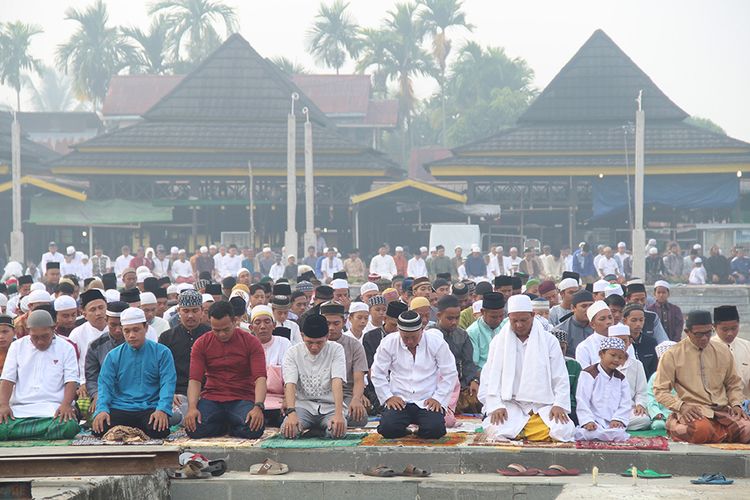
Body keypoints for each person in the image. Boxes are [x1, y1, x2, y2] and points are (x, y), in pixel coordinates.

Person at [478, 296, 575, 442]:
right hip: (510, 403)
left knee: (562, 429)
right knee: (497, 429)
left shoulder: (549, 341)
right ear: (508, 318)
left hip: (541, 404)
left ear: (532, 315)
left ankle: (524, 432)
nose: (519, 325)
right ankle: (524, 431)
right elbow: (489, 377)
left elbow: (560, 376)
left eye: (523, 320)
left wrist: (559, 404)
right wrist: (495, 406)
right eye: (514, 321)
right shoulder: (498, 342)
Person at [654, 310, 750, 444]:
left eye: (708, 333)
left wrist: (736, 404)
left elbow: (733, 383)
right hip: (693, 410)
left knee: (748, 430)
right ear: (687, 332)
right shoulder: (672, 355)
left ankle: (717, 433)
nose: (704, 338)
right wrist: (681, 406)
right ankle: (674, 425)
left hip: (721, 409)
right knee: (701, 431)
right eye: (699, 334)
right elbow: (660, 390)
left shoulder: (723, 351)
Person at [185, 301, 267, 438]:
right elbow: (195, 380)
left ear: (235, 321)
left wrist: (258, 406)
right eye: (216, 330)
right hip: (212, 398)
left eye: (226, 329)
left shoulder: (251, 341)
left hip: (242, 397)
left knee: (254, 429)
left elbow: (260, 378)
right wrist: (192, 408)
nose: (222, 334)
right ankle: (227, 425)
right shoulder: (201, 343)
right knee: (193, 428)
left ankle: (228, 425)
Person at [92, 308, 176, 438]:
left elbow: (168, 383)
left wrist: (162, 409)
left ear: (146, 328)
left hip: (149, 407)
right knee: (100, 428)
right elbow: (104, 385)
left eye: (136, 330)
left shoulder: (162, 352)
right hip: (121, 407)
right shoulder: (113, 356)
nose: (131, 335)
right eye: (127, 331)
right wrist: (102, 409)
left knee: (159, 430)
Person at [372, 311, 457, 439]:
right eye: (405, 337)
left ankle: (420, 430)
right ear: (398, 331)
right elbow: (377, 372)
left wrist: (438, 399)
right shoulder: (388, 342)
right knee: (388, 429)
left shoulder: (436, 342)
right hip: (400, 400)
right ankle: (407, 430)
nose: (410, 341)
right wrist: (388, 397)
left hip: (427, 400)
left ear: (422, 330)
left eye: (414, 337)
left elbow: (450, 373)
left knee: (435, 430)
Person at [0, 310, 80, 440]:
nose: (40, 342)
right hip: (20, 410)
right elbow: (7, 379)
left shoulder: (66, 347)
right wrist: (3, 405)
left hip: (53, 409)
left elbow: (71, 380)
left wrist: (66, 404)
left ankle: (22, 434)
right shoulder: (17, 346)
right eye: (35, 337)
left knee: (69, 426)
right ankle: (43, 433)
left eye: (44, 336)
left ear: (54, 329)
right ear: (28, 330)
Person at [281, 314, 347, 438]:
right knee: (288, 431)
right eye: (309, 342)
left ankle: (318, 429)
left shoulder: (336, 349)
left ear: (327, 337)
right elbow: (290, 384)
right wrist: (291, 413)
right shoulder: (293, 353)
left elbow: (337, 381)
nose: (314, 347)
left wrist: (338, 414)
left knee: (337, 432)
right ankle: (314, 428)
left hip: (330, 407)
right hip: (303, 406)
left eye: (319, 342)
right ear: (302, 336)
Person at [158, 290, 211, 422]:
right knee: (170, 417)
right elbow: (161, 371)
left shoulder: (211, 335)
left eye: (194, 311)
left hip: (207, 394)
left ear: (202, 311)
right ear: (178, 311)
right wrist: (169, 393)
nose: (190, 315)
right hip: (177, 394)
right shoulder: (167, 338)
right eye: (186, 311)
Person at [319, 301, 369, 427]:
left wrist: (356, 399)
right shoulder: (314, 344)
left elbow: (359, 379)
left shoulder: (354, 345)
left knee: (359, 417)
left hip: (346, 394)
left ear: (344, 321)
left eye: (336, 323)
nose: (331, 328)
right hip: (318, 394)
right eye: (327, 323)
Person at [574, 337, 632, 442]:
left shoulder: (621, 378)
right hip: (593, 422)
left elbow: (625, 403)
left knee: (619, 434)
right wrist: (588, 421)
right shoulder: (589, 374)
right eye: (613, 355)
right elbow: (582, 399)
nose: (616, 360)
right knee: (588, 433)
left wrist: (618, 419)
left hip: (612, 423)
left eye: (620, 357)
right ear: (601, 354)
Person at [431, 295, 480, 415]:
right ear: (439, 316)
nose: (454, 322)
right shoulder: (429, 335)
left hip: (459, 384)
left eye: (457, 318)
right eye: (449, 318)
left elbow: (468, 362)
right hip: (434, 387)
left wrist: (473, 380)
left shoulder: (462, 335)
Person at [249, 305, 290, 427]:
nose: (262, 326)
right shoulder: (246, 345)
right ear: (251, 327)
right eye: (258, 322)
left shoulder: (284, 344)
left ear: (274, 325)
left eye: (267, 322)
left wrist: (288, 399)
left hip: (279, 401)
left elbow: (290, 376)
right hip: (253, 401)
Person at [607, 324, 651, 431]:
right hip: (606, 410)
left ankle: (614, 426)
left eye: (623, 341)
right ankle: (615, 425)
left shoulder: (636, 365)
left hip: (628, 410)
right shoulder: (602, 365)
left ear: (629, 342)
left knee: (644, 420)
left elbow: (642, 391)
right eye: (616, 341)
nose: (620, 345)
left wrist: (640, 405)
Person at [69, 289, 108, 401]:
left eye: (101, 307)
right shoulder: (77, 334)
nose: (98, 313)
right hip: (86, 383)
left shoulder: (116, 330)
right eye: (93, 309)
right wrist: (82, 382)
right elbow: (73, 364)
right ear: (84, 314)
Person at [711, 305, 750, 399]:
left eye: (734, 328)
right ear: (714, 327)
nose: (730, 333)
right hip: (719, 406)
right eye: (725, 329)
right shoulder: (708, 348)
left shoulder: (747, 346)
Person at [466, 292, 505, 371]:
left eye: (501, 316)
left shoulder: (505, 327)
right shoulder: (472, 332)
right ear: (483, 312)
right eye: (493, 317)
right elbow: (474, 365)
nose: (498, 320)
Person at [550, 328, 581, 425]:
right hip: (548, 406)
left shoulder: (574, 365)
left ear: (566, 347)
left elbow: (578, 394)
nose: (559, 352)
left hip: (570, 406)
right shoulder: (542, 365)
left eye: (562, 348)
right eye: (555, 348)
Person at [646, 341, 677, 431]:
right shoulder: (655, 376)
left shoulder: (684, 375)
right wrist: (656, 412)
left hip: (680, 413)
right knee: (658, 426)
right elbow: (650, 396)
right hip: (662, 415)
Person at [557, 290, 594, 357]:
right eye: (584, 306)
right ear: (573, 308)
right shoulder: (561, 330)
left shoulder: (599, 327)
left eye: (591, 305)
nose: (588, 309)